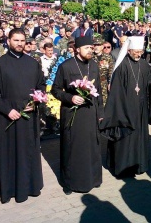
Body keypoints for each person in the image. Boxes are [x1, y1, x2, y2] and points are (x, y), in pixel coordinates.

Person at [0, 29, 45, 203]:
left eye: (22, 40)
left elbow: (40, 86)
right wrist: (7, 110)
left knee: (28, 152)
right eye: (16, 40)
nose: (19, 43)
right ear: (9, 41)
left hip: (28, 118)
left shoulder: (33, 63)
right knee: (9, 153)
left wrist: (36, 101)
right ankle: (10, 189)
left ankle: (30, 187)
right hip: (8, 118)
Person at [99, 36, 151, 178]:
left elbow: (149, 78)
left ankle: (140, 164)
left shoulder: (144, 64)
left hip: (140, 110)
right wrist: (124, 108)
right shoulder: (121, 66)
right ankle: (124, 167)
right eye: (136, 52)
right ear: (128, 51)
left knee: (139, 137)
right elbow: (116, 92)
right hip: (125, 110)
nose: (139, 54)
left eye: (140, 52)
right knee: (126, 140)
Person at [51, 36, 104, 194]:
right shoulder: (66, 66)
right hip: (72, 114)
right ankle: (69, 183)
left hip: (90, 113)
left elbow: (99, 91)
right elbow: (55, 89)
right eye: (87, 47)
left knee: (91, 147)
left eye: (92, 47)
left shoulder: (93, 65)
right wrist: (70, 97)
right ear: (77, 49)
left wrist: (100, 113)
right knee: (72, 148)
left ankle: (93, 179)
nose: (91, 50)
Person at [92, 36, 114, 106]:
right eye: (95, 45)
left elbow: (111, 71)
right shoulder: (90, 57)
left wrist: (110, 82)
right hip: (92, 83)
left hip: (103, 83)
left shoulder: (108, 57)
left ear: (102, 46)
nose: (96, 47)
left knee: (104, 103)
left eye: (98, 45)